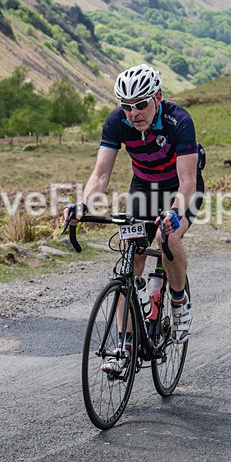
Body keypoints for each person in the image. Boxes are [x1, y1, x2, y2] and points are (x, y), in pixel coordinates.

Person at [63, 63, 204, 372]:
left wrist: (176, 213)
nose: (133, 112)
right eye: (126, 106)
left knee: (166, 237)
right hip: (144, 187)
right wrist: (83, 206)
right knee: (131, 253)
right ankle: (124, 348)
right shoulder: (117, 123)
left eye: (140, 104)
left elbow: (188, 183)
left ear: (158, 97)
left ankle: (179, 303)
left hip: (180, 187)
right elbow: (100, 175)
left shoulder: (178, 120)